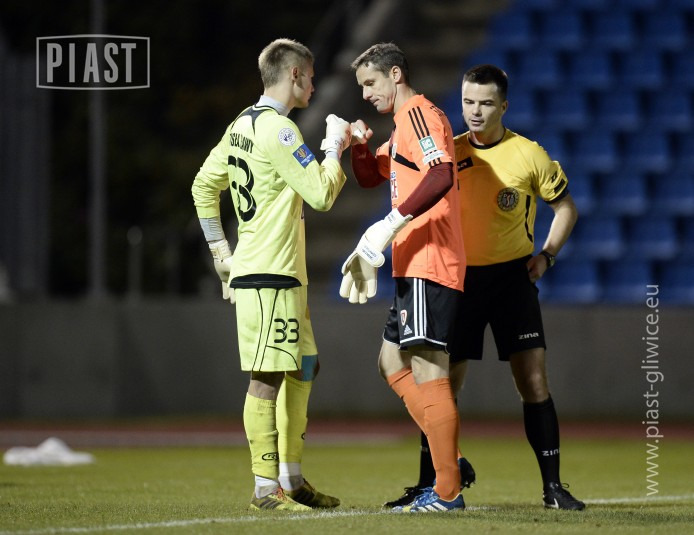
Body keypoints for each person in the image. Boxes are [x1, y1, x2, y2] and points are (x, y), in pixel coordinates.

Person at [386, 63, 585, 511]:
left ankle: (553, 488)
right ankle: (431, 484)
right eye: (468, 102)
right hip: (460, 280)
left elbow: (566, 208)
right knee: (441, 384)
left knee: (532, 380)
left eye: (486, 103)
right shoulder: (448, 153)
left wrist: (547, 255)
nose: (475, 111)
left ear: (504, 106)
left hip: (513, 279)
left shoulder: (529, 155)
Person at [192, 38, 351, 511]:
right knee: (266, 377)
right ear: (295, 74)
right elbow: (321, 195)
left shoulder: (242, 123)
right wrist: (334, 147)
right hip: (269, 275)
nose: (314, 86)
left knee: (304, 366)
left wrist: (221, 253)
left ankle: (292, 479)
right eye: (311, 77)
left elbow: (203, 186)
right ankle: (265, 489)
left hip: (279, 274)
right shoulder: (280, 131)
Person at [339, 42, 469, 513]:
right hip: (413, 262)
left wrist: (391, 222)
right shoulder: (400, 125)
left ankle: (448, 490)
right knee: (390, 361)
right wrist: (358, 146)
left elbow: (441, 174)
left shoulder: (418, 114)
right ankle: (449, 458)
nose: (366, 94)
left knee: (428, 369)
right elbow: (371, 176)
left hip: (430, 259)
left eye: (370, 83)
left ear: (395, 74)